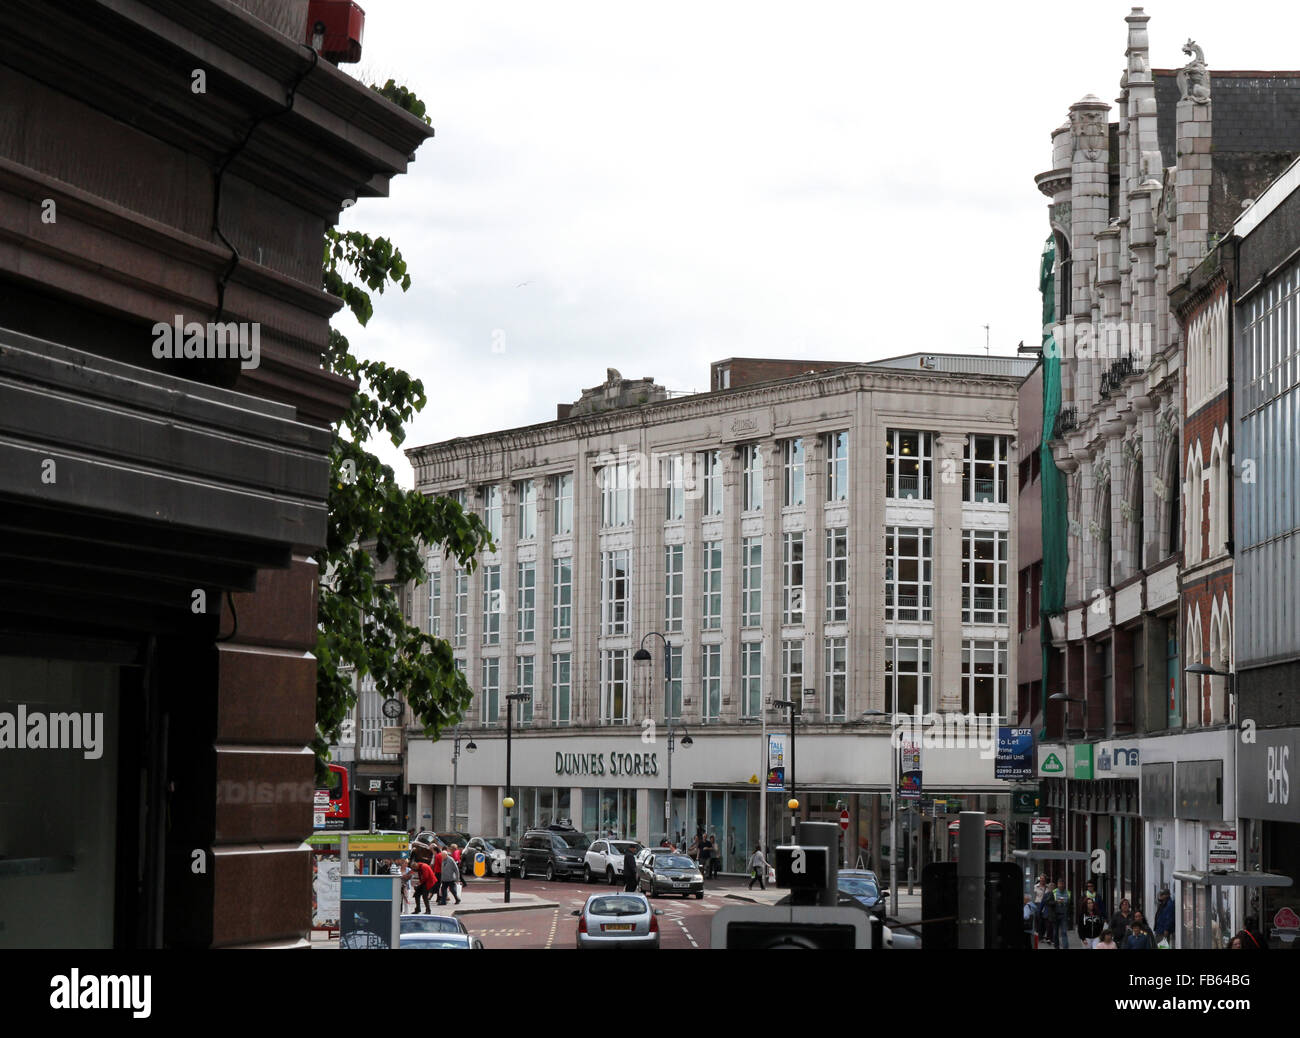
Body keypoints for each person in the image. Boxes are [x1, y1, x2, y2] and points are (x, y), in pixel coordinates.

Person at [1051, 878, 1072, 949]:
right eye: (1059, 884)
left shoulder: (1068, 893)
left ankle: (1065, 947)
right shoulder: (1053, 892)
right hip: (1055, 915)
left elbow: (1071, 905)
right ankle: (1056, 947)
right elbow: (1049, 902)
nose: (1061, 886)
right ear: (1057, 885)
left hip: (1064, 915)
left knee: (1064, 932)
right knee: (1055, 933)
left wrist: (1070, 916)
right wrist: (1056, 902)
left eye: (1062, 884)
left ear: (1064, 885)